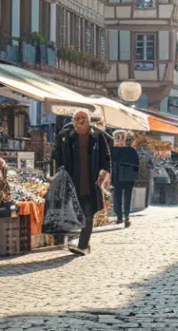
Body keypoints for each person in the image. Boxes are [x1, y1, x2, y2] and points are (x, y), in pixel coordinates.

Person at [52, 109, 112, 255]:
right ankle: (63, 241)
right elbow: (56, 156)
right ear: (73, 121)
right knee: (66, 212)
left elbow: (106, 157)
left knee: (88, 214)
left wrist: (104, 171)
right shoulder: (66, 136)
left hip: (90, 183)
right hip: (72, 182)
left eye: (83, 117)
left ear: (89, 120)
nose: (80, 120)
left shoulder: (97, 136)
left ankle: (83, 244)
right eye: (77, 118)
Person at [110, 131, 140, 227]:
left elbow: (136, 163)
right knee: (118, 197)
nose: (121, 139)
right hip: (120, 176)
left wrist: (133, 175)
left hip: (126, 177)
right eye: (119, 137)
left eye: (122, 137)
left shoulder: (130, 150)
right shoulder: (114, 149)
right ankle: (121, 217)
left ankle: (125, 217)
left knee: (125, 197)